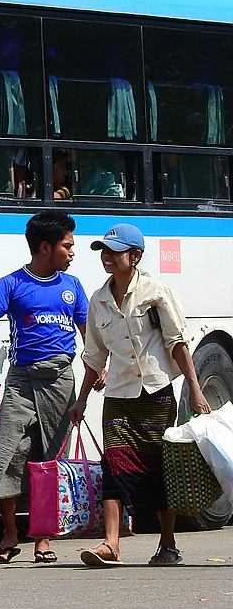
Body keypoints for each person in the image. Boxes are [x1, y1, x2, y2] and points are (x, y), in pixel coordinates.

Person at [70, 223, 211, 567]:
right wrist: (82, 399)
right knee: (113, 466)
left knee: (160, 469)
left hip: (156, 392)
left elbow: (177, 342)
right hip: (118, 395)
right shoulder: (99, 300)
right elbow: (94, 356)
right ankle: (111, 545)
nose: (107, 257)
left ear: (136, 256)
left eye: (114, 251)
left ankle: (167, 544)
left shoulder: (156, 292)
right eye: (103, 251)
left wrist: (194, 389)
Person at [0, 209, 89, 563]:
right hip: (20, 380)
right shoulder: (11, 284)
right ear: (45, 247)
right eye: (68, 246)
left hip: (61, 380)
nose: (73, 252)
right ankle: (9, 534)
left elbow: (90, 333)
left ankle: (43, 538)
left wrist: (99, 369)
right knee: (8, 454)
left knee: (51, 461)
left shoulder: (73, 286)